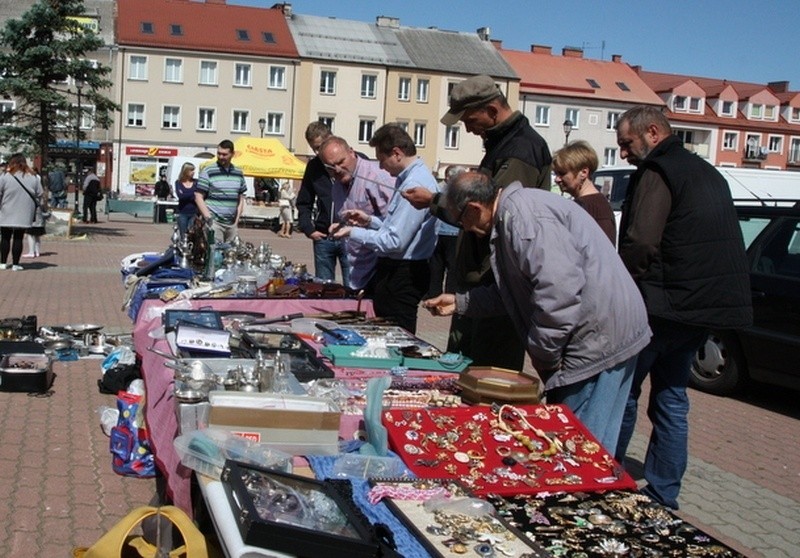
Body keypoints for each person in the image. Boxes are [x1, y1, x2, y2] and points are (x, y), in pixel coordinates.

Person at [423, 171, 651, 452]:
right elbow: (516, 289)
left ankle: (581, 491)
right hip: (600, 331)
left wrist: (546, 356)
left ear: (474, 208)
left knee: (580, 444)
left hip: (598, 337)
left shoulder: (523, 219)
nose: (466, 229)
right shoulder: (511, 216)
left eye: (462, 221)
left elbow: (558, 295)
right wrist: (461, 302)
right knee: (585, 439)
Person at [613, 106, 752, 509]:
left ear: (652, 132)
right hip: (697, 309)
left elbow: (641, 241)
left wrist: (620, 283)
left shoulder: (659, 171)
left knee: (624, 396)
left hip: (662, 307)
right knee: (672, 400)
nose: (624, 153)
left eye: (626, 143)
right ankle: (663, 495)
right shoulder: (706, 171)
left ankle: (605, 476)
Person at [404, 74, 553, 370]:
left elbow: (489, 214)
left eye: (471, 120)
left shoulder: (520, 149)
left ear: (493, 111)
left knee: (487, 376)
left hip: (493, 287)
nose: (469, 129)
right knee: (465, 368)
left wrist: (435, 202)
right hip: (479, 283)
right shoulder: (503, 143)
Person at [331, 124, 438, 333]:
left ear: (396, 153)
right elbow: (399, 228)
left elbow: (395, 242)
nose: (381, 168)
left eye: (381, 160)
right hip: (399, 271)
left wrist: (353, 233)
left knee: (396, 336)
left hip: (404, 273)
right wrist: (369, 221)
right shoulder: (409, 178)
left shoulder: (414, 183)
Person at [317, 136, 392, 292]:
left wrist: (362, 226)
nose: (337, 169)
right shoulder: (337, 185)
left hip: (381, 270)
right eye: (330, 167)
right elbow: (352, 221)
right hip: (356, 270)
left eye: (340, 162)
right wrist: (342, 226)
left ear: (351, 152)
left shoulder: (376, 177)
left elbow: (394, 227)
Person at [296, 122, 351, 283]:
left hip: (351, 236)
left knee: (353, 286)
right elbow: (304, 200)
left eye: (320, 147)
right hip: (323, 237)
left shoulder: (351, 160)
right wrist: (308, 228)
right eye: (314, 148)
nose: (318, 152)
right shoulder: (314, 166)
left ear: (331, 138)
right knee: (324, 289)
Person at [552, 140, 616, 245]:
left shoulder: (592, 207)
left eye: (562, 174)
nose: (557, 179)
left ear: (583, 172)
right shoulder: (593, 204)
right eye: (556, 174)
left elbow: (602, 254)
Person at [195, 139, 247, 243]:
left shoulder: (238, 173)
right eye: (219, 153)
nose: (221, 157)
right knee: (216, 255)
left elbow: (240, 198)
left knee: (231, 255)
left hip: (231, 224)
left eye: (224, 154)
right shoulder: (208, 171)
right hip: (214, 222)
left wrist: (236, 220)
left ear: (232, 154)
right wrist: (208, 218)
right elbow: (198, 196)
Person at [426, 165, 466, 298]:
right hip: (453, 233)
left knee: (437, 265)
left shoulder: (439, 188)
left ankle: (434, 293)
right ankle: (449, 294)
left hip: (441, 232)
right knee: (451, 266)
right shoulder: (460, 191)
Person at [0, 153, 44, 270]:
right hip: (24, 212)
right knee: (18, 238)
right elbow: (40, 193)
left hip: (6, 210)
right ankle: (15, 264)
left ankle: (3, 263)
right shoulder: (33, 177)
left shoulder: (5, 176)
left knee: (5, 237)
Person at [174, 162, 199, 237]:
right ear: (186, 171)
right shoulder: (178, 183)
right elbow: (181, 196)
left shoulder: (196, 182)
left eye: (193, 170)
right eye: (191, 170)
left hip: (194, 213)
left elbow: (199, 196)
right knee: (183, 235)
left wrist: (187, 195)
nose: (193, 172)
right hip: (182, 213)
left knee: (192, 235)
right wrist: (193, 194)